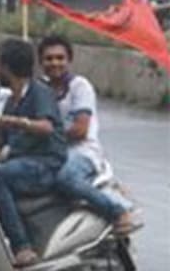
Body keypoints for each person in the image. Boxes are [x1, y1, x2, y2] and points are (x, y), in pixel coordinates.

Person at [0, 38, 68, 267]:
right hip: (24, 161)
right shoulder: (12, 99)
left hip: (46, 162)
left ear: (8, 68)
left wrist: (17, 121)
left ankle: (22, 247)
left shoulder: (39, 92)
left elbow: (46, 127)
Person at [39, 35, 136, 235]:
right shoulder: (41, 89)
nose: (54, 63)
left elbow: (80, 130)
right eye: (49, 59)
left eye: (60, 58)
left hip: (82, 152)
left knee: (66, 179)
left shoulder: (80, 86)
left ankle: (118, 211)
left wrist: (42, 134)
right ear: (40, 62)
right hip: (52, 152)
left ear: (69, 61)